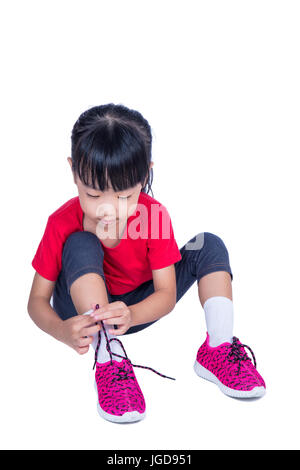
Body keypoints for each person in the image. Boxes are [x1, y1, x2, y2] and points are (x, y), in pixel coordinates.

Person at [27, 103, 266, 424]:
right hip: (81, 316)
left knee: (208, 243)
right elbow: (36, 301)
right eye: (93, 195)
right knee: (81, 241)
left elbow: (166, 292)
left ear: (145, 175)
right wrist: (60, 329)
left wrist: (132, 314)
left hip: (134, 309)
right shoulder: (61, 222)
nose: (107, 210)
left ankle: (218, 347)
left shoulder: (154, 216)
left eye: (124, 196)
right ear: (73, 171)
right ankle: (109, 359)